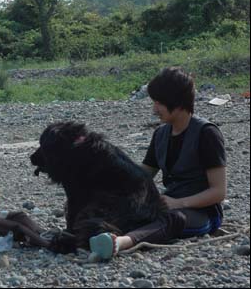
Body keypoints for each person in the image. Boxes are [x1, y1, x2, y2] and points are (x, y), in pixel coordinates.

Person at [89, 67, 227, 259]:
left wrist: (179, 203)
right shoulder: (161, 134)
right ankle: (95, 237)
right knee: (130, 211)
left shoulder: (207, 134)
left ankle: (119, 243)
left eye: (159, 103)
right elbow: (142, 175)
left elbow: (219, 192)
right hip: (168, 203)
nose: (154, 109)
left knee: (171, 219)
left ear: (178, 103)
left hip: (203, 213)